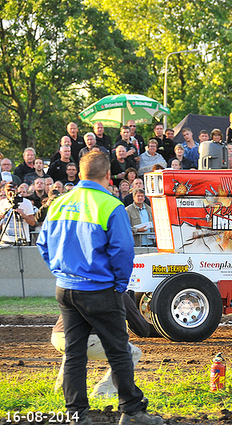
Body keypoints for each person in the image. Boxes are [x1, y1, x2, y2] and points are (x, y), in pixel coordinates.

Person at [36, 152, 162, 425]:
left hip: (66, 288)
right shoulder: (111, 205)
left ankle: (76, 414)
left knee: (75, 354)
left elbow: (43, 244)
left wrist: (60, 270)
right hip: (100, 289)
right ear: (108, 176)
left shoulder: (59, 203)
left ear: (79, 174)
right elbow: (123, 252)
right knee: (119, 351)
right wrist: (118, 285)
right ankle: (132, 411)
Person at [51, 292, 148, 398]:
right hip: (86, 340)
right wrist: (131, 308)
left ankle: (61, 390)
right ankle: (102, 392)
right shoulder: (118, 293)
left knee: (73, 352)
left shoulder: (80, 288)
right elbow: (143, 330)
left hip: (57, 337)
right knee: (132, 353)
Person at [0, 182, 36, 246]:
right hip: (6, 240)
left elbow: (32, 222)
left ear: (16, 190)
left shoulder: (26, 202)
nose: (9, 193)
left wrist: (24, 215)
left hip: (23, 239)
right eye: (8, 190)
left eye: (12, 190)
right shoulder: (2, 203)